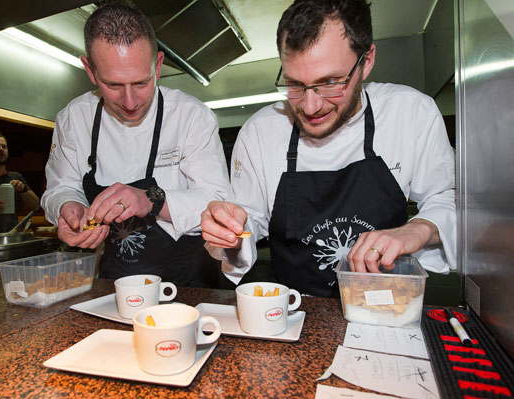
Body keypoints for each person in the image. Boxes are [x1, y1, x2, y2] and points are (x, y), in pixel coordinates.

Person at [201, 0, 456, 297]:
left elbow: (446, 199)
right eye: (295, 84)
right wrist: (230, 229)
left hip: (385, 307)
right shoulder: (261, 131)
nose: (310, 106)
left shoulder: (411, 113)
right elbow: (251, 221)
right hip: (295, 313)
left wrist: (419, 228)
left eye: (330, 82)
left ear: (367, 61)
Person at [41, 1, 230, 287]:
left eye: (141, 83)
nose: (130, 102)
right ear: (90, 71)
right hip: (112, 284)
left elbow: (219, 202)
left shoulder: (191, 116)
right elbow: (60, 187)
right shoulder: (73, 118)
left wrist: (151, 200)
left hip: (187, 284)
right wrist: (68, 207)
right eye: (113, 85)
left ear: (158, 65)